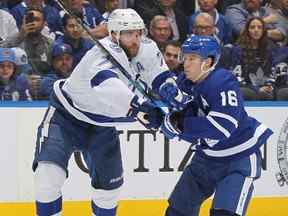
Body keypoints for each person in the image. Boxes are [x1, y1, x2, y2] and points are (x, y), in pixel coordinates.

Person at [32, 8, 186, 216]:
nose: (135, 39)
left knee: (109, 190)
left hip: (102, 126)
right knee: (47, 177)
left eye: (138, 32)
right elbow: (109, 86)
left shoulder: (147, 48)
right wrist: (141, 108)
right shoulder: (100, 54)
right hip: (66, 117)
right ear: (114, 34)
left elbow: (157, 74)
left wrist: (171, 91)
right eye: (129, 33)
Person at [159, 35, 273, 216]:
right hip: (206, 158)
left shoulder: (222, 82)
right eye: (185, 57)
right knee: (177, 211)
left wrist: (179, 125)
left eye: (192, 58)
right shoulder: (185, 81)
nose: (185, 64)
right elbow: (183, 115)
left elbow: (221, 127)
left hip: (238, 158)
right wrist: (170, 109)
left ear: (208, 61)